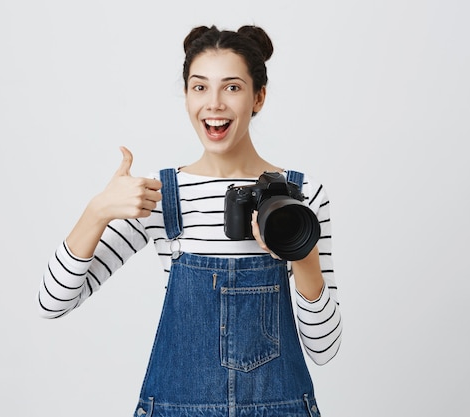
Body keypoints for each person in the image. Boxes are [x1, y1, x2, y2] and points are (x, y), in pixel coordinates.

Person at [38, 25, 342, 417]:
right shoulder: (160, 197)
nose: (213, 103)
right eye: (200, 87)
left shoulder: (302, 196)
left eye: (232, 87)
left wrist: (300, 252)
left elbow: (324, 349)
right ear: (185, 96)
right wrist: (97, 210)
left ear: (258, 97)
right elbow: (52, 303)